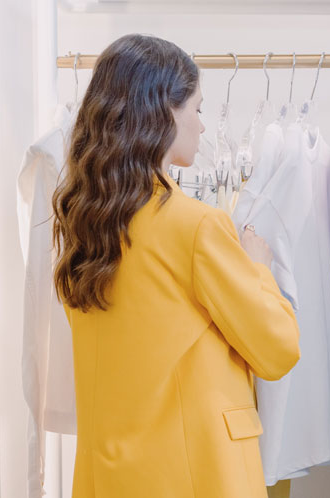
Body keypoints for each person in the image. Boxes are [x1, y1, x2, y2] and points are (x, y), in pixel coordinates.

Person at [51, 34, 299, 498]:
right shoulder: (195, 225)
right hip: (196, 476)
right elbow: (278, 348)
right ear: (164, 110)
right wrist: (259, 268)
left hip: (107, 476)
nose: (203, 127)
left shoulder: (84, 226)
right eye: (198, 108)